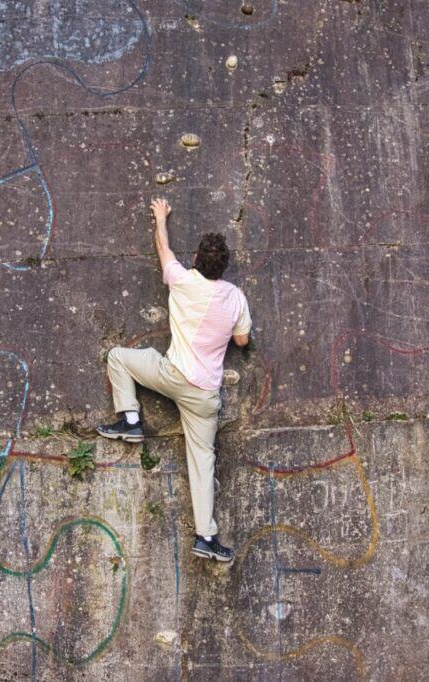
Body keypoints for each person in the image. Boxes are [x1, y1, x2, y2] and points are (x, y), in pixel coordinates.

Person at [97, 198, 251, 563]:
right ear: (224, 266)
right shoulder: (235, 297)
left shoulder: (182, 280)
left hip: (172, 376)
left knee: (118, 356)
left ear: (196, 258)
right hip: (204, 394)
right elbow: (243, 340)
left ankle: (130, 420)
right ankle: (206, 536)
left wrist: (161, 218)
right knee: (202, 461)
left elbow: (163, 248)